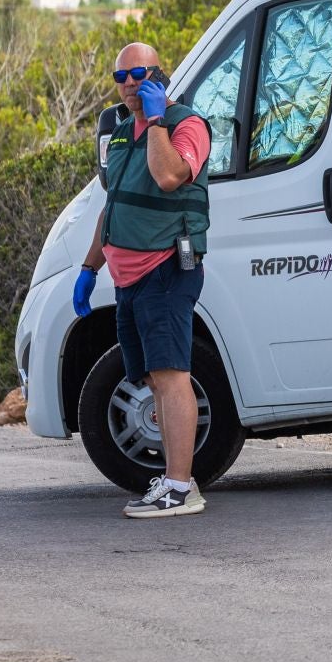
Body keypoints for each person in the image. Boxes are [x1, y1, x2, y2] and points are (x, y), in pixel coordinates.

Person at [74, 42, 213, 518]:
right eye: (121, 77)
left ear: (160, 76)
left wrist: (156, 122)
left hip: (167, 268)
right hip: (127, 277)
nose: (129, 83)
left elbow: (170, 176)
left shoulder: (186, 125)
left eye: (139, 74)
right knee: (153, 377)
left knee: (172, 375)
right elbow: (112, 207)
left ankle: (180, 486)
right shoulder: (119, 133)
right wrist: (89, 268)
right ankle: (174, 480)